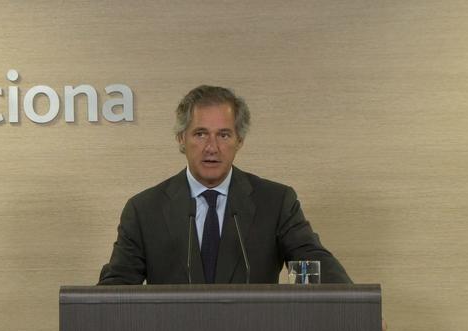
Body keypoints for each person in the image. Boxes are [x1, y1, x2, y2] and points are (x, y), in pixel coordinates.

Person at [98, 85, 352, 286]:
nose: (212, 147)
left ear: (239, 140)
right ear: (181, 138)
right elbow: (118, 287)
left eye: (223, 135)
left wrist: (353, 306)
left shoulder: (275, 202)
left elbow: (313, 263)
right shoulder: (144, 210)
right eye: (200, 134)